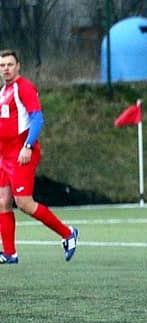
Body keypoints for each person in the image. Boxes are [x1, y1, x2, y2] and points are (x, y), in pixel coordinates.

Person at [0, 49, 77, 265]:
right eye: (2, 65)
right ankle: (10, 253)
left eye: (9, 64)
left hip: (21, 155)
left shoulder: (24, 87)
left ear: (18, 66)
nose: (6, 69)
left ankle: (68, 234)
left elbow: (37, 118)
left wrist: (27, 146)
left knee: (24, 203)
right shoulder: (3, 91)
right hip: (5, 157)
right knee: (3, 202)